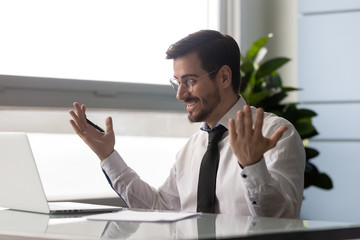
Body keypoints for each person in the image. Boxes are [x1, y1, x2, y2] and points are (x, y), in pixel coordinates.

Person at [69, 30, 305, 218]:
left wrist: (253, 165)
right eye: (177, 83)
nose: (180, 94)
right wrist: (108, 156)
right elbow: (158, 209)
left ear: (223, 77)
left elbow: (282, 220)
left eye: (190, 81)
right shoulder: (191, 150)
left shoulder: (275, 134)